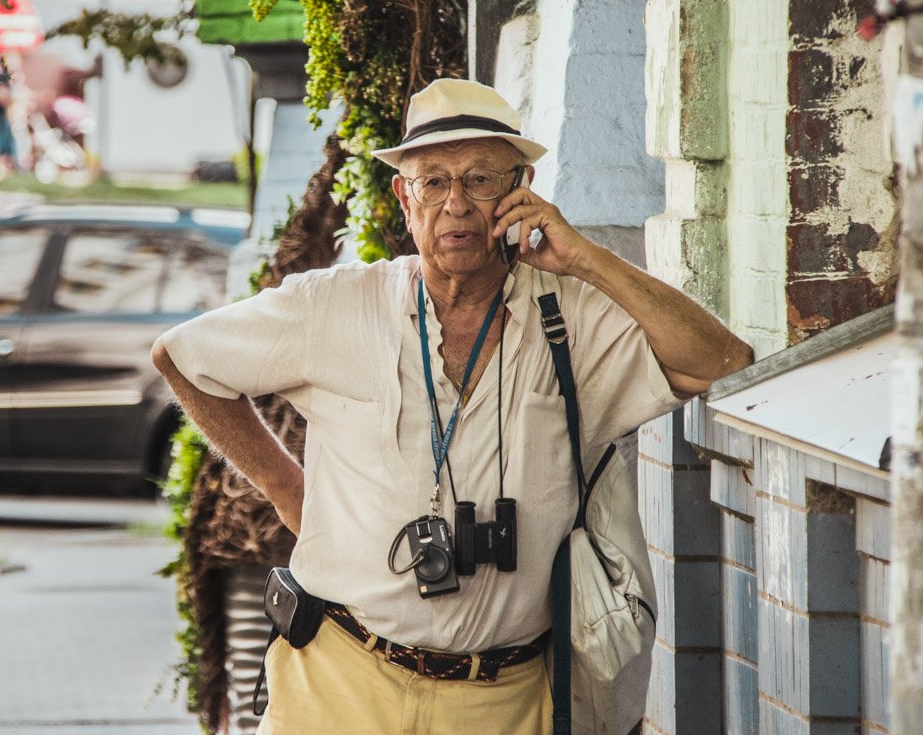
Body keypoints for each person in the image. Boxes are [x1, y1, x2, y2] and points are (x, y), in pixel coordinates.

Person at [152, 78, 753, 735]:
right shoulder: (334, 304)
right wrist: (282, 484)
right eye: (433, 183)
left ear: (520, 187)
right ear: (402, 199)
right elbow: (183, 357)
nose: (456, 205)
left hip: (504, 698)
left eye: (480, 180)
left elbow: (717, 361)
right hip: (340, 683)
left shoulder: (569, 316)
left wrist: (585, 259)